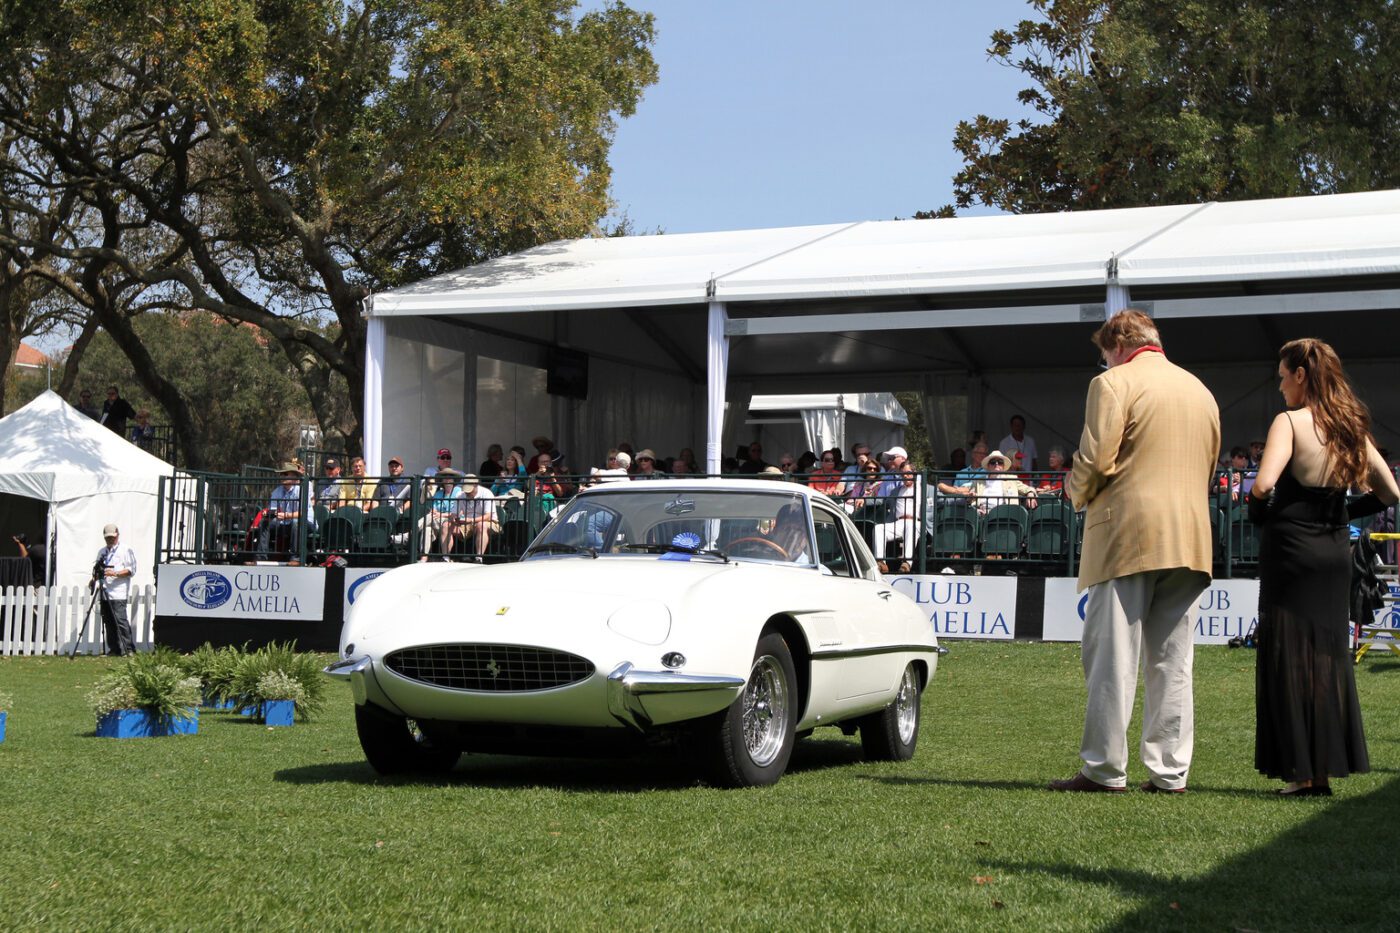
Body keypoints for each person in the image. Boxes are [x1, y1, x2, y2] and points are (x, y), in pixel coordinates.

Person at [1051, 309, 1220, 794]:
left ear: (1118, 344)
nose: (1105, 361)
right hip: (1190, 537)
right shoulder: (1200, 390)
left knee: (1113, 658)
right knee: (1173, 661)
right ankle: (1170, 772)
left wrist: (1073, 488)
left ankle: (1104, 769)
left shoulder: (1112, 384)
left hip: (1126, 533)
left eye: (1105, 353)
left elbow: (1097, 457)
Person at [1249, 338, 1399, 797]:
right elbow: (1390, 493)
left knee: (1289, 654)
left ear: (1299, 375)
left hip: (1292, 551)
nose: (1279, 386)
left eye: (1282, 375)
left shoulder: (1289, 421)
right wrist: (1342, 513)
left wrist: (1262, 514)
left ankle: (1300, 772)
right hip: (1334, 550)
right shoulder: (1349, 425)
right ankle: (1322, 772)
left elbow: (1263, 484)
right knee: (1327, 656)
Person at [95, 523, 138, 656]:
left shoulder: (126, 550)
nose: (110, 540)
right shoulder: (102, 551)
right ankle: (114, 649)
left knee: (120, 621)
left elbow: (131, 570)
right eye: (108, 538)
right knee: (108, 622)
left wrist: (115, 573)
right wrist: (95, 577)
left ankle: (128, 649)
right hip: (104, 591)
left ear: (117, 535)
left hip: (118, 591)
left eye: (112, 537)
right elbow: (97, 568)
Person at [262, 462, 309, 557]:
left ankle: (295, 558)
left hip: (305, 524)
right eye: (281, 473)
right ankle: (260, 556)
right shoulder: (277, 491)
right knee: (265, 522)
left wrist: (286, 515)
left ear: (295, 476)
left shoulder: (301, 490)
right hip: (284, 523)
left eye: (285, 474)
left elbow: (303, 513)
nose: (282, 476)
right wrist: (269, 514)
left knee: (296, 523)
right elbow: (274, 509)